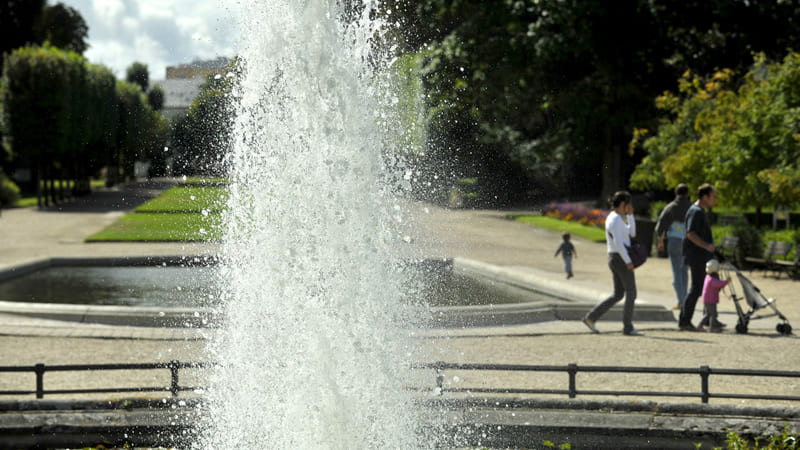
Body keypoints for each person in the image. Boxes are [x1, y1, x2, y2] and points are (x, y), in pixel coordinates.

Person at [583, 190, 643, 336]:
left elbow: (631, 233)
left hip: (616, 257)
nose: (630, 206)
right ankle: (627, 327)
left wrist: (630, 215)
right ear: (623, 204)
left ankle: (591, 317)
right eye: (628, 205)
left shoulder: (617, 218)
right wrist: (628, 261)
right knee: (631, 292)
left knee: (618, 294)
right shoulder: (615, 220)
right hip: (620, 258)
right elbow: (619, 243)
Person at [678, 183, 717, 331]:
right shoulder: (696, 211)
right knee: (697, 288)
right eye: (713, 196)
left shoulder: (699, 211)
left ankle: (708, 319)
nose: (715, 200)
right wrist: (706, 246)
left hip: (701, 255)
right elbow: (690, 233)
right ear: (705, 197)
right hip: (697, 256)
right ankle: (685, 320)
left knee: (702, 287)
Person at [655, 184, 691, 310]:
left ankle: (680, 300)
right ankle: (685, 299)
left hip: (674, 241)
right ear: (687, 194)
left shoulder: (670, 207)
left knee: (676, 271)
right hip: (687, 242)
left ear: (676, 193)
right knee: (684, 271)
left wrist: (660, 241)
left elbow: (661, 225)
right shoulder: (691, 208)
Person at [697, 258, 730, 332]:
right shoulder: (711, 279)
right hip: (710, 300)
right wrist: (726, 282)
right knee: (713, 314)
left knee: (708, 314)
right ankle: (712, 328)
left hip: (707, 299)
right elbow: (719, 284)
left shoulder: (708, 277)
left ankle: (700, 325)